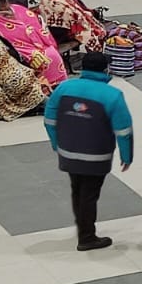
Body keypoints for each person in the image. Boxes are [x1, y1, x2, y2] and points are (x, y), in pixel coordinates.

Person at [44, 53, 133, 251]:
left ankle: (83, 229)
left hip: (68, 151)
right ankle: (87, 237)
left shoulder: (65, 88)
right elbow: (124, 131)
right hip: (96, 156)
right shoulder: (112, 95)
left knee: (78, 189)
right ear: (105, 70)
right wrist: (127, 156)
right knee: (89, 194)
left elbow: (49, 119)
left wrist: (56, 143)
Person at [0, 0, 68, 85]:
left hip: (39, 41)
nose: (8, 3)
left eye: (7, 0)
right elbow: (4, 44)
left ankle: (60, 84)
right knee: (45, 58)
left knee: (52, 53)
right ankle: (47, 88)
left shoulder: (17, 8)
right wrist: (29, 53)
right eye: (3, 2)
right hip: (21, 52)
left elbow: (34, 22)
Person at [39, 0, 107, 54]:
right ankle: (95, 58)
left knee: (96, 29)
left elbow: (72, 8)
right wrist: (82, 17)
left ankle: (95, 57)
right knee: (92, 32)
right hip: (60, 30)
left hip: (65, 27)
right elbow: (66, 12)